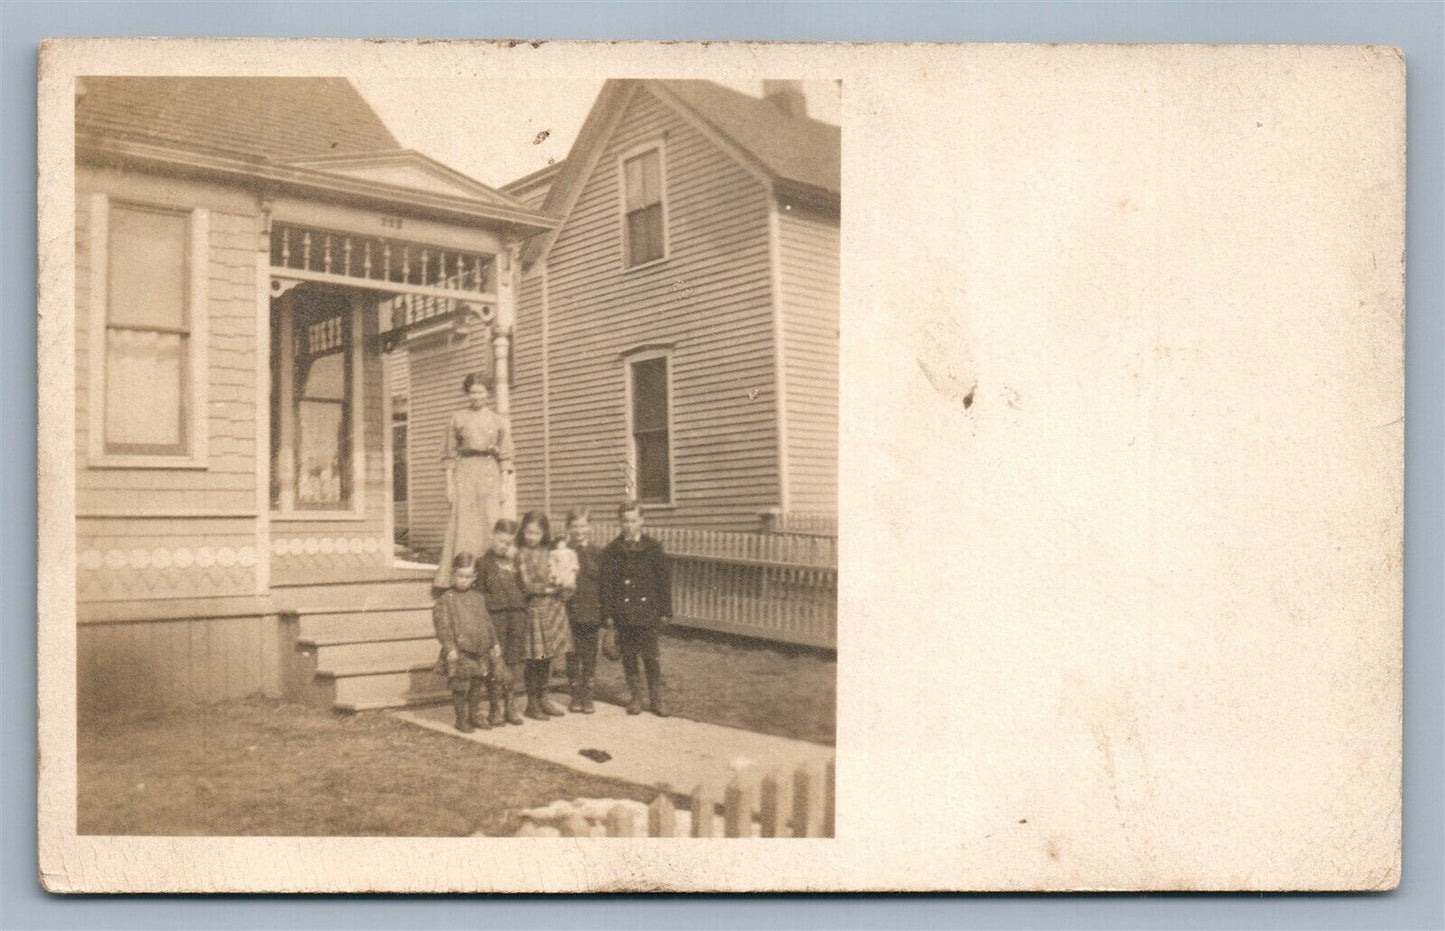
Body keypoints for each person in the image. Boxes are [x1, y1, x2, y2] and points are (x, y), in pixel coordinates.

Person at [435, 374, 513, 588]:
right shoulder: (457, 418)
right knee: (464, 523)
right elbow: (449, 454)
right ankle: (460, 575)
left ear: (487, 393)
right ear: (467, 393)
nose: (476, 396)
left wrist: (505, 486)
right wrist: (449, 485)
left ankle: (490, 577)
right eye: (472, 392)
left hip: (490, 472)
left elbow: (505, 456)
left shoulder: (498, 421)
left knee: (490, 521)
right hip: (465, 471)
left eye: (480, 392)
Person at [600, 500, 673, 716]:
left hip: (647, 612)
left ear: (642, 521)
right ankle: (635, 698)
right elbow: (607, 585)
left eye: (633, 520)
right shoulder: (612, 550)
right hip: (624, 614)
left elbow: (664, 581)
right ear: (620, 522)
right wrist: (608, 615)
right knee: (629, 657)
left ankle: (656, 700)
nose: (629, 525)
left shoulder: (653, 548)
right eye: (625, 521)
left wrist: (665, 611)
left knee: (651, 657)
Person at [431, 552, 504, 734]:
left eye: (468, 577)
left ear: (474, 577)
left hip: (479, 650)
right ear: (453, 574)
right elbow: (443, 627)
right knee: (461, 685)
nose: (463, 580)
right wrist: (449, 647)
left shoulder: (478, 597)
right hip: (460, 651)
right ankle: (461, 718)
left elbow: (486, 621)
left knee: (477, 684)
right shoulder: (446, 600)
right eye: (460, 576)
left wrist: (493, 642)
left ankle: (474, 714)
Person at [516, 511, 575, 720]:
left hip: (553, 609)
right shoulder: (521, 554)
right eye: (528, 532)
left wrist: (565, 583)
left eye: (536, 533)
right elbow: (526, 585)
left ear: (544, 533)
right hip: (535, 609)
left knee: (547, 657)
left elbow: (560, 572)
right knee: (535, 658)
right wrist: (550, 589)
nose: (532, 536)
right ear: (522, 532)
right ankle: (531, 703)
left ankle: (544, 697)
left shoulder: (548, 551)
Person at [476, 519, 526, 726]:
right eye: (500, 540)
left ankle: (510, 705)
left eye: (508, 543)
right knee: (496, 662)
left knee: (513, 662)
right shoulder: (483, 563)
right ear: (492, 537)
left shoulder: (517, 563)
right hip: (495, 618)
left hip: (515, 617)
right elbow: (479, 594)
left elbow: (526, 588)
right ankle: (495, 707)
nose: (503, 546)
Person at [563, 508, 603, 713]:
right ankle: (574, 695)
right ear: (569, 528)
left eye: (583, 526)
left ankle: (588, 696)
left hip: (592, 612)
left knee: (589, 655)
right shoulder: (563, 551)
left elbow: (604, 585)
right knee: (571, 655)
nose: (579, 531)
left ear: (590, 527)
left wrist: (605, 615)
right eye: (575, 526)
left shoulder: (598, 553)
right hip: (569, 611)